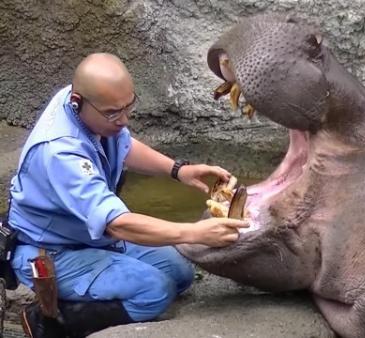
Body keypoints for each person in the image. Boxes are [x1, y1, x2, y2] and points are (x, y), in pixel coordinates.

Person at [7, 53, 249, 338]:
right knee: (155, 291)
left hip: (89, 238)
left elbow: (122, 144)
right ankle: (49, 321)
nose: (123, 119)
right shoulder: (59, 151)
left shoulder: (88, 106)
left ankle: (91, 288)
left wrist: (179, 170)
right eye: (113, 113)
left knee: (180, 275)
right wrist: (195, 232)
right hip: (51, 252)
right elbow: (117, 223)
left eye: (128, 106)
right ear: (77, 101)